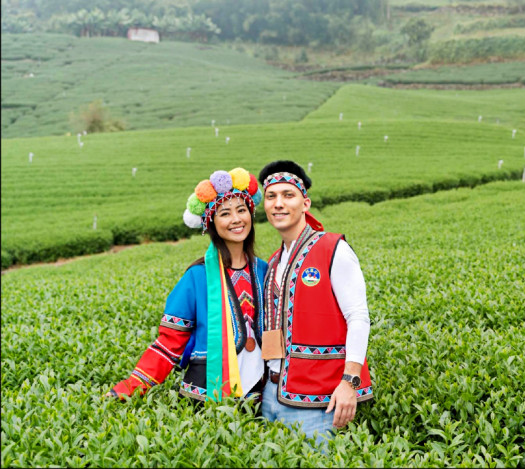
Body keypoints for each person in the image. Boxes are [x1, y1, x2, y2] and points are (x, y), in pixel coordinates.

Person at [106, 167, 269, 405]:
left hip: (260, 394)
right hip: (206, 395)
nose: (236, 219)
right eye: (225, 213)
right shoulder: (196, 277)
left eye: (241, 210)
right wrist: (129, 388)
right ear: (211, 223)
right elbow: (168, 343)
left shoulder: (265, 270)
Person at [257, 160, 373, 445]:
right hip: (271, 394)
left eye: (288, 195)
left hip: (320, 400)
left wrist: (349, 383)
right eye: (271, 196)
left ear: (305, 203)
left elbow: (358, 317)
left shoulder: (333, 248)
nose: (278, 203)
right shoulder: (274, 261)